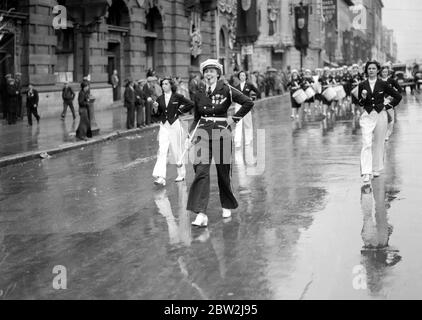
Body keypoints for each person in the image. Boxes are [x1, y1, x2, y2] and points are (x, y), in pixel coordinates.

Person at [177, 59, 254, 227]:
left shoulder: (227, 89)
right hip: (202, 135)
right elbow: (197, 117)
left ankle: (226, 204)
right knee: (201, 172)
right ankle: (201, 213)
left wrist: (234, 119)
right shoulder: (198, 92)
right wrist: (190, 136)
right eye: (206, 71)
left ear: (218, 74)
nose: (209, 74)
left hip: (222, 134)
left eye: (212, 71)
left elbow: (248, 102)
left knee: (223, 172)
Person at [358, 61, 402, 184]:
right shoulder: (362, 84)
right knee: (366, 142)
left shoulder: (383, 84)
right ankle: (366, 172)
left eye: (373, 68)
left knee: (378, 143)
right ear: (366, 70)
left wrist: (387, 106)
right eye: (369, 68)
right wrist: (363, 97)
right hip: (367, 115)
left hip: (380, 115)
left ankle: (376, 168)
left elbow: (398, 96)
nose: (371, 70)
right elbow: (360, 103)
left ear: (378, 70)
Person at [151, 77, 194, 186]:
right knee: (162, 151)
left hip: (175, 125)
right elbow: (156, 116)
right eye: (162, 84)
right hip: (164, 127)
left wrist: (179, 111)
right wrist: (155, 108)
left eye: (166, 84)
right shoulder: (159, 99)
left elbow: (190, 104)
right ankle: (160, 177)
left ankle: (181, 174)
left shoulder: (177, 97)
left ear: (171, 85)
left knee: (176, 151)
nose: (163, 86)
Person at [233, 70, 260, 147]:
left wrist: (252, 98)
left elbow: (257, 91)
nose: (242, 77)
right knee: (238, 123)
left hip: (246, 106)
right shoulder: (236, 87)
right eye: (241, 75)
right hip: (238, 106)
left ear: (246, 77)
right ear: (239, 77)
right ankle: (237, 141)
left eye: (243, 75)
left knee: (247, 123)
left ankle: (248, 139)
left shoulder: (249, 85)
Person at [380, 65, 402, 142]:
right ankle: (381, 134)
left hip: (389, 103)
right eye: (383, 72)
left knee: (390, 119)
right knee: (381, 119)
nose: (384, 73)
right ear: (380, 72)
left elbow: (399, 89)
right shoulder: (378, 81)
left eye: (386, 72)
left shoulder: (391, 81)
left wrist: (392, 96)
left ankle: (387, 135)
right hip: (380, 102)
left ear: (388, 72)